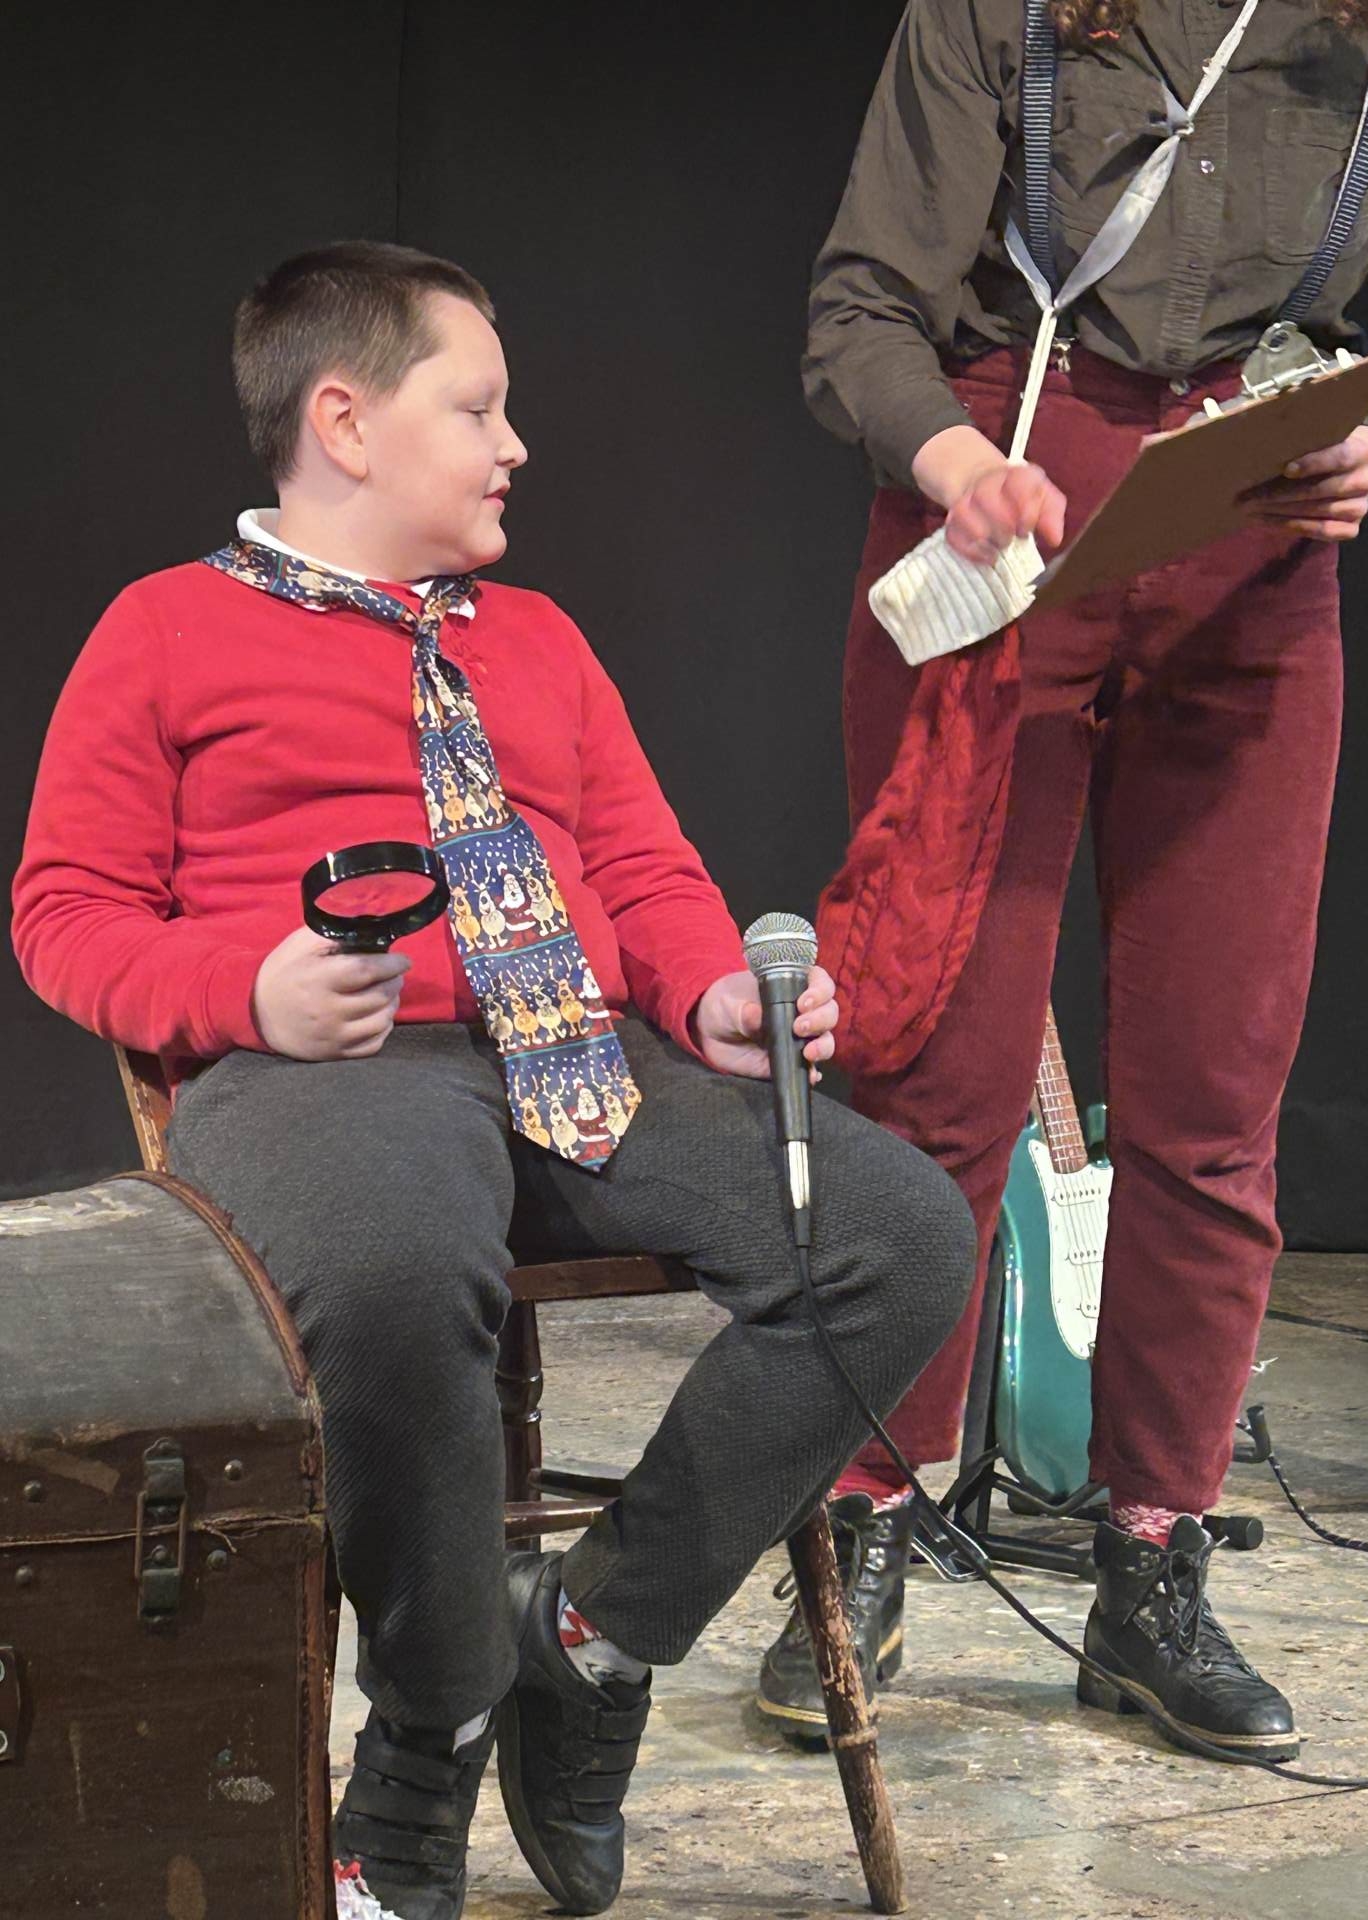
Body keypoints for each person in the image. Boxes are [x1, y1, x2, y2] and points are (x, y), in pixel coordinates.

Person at [11, 240, 975, 1920]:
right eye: (478, 408)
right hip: (336, 1064)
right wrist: (246, 988)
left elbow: (647, 870)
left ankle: (589, 1642)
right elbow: (64, 911)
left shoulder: (538, 640)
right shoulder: (166, 630)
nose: (516, 444)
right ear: (345, 422)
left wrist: (708, 989)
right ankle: (433, 1724)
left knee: (899, 1233)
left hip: (581, 1052)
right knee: (391, 1271)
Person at [755, 0, 1368, 1759]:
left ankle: (1151, 1566)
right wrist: (951, 461)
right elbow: (863, 309)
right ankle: (864, 1520)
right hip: (1005, 494)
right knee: (938, 1068)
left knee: (1217, 1087)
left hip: (1252, 520)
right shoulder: (1002, 12)